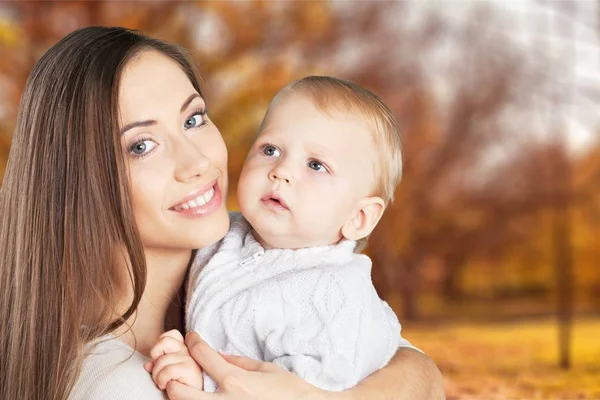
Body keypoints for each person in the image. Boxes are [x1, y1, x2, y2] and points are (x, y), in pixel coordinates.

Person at [0, 26, 444, 400]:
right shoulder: (118, 384)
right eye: (141, 145)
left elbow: (418, 367)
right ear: (76, 183)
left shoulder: (252, 255)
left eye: (193, 119)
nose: (197, 161)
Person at [146, 75, 417, 393]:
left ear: (358, 218)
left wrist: (202, 381)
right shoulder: (225, 233)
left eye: (316, 165)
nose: (281, 171)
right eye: (270, 149)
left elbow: (300, 392)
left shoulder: (335, 300)